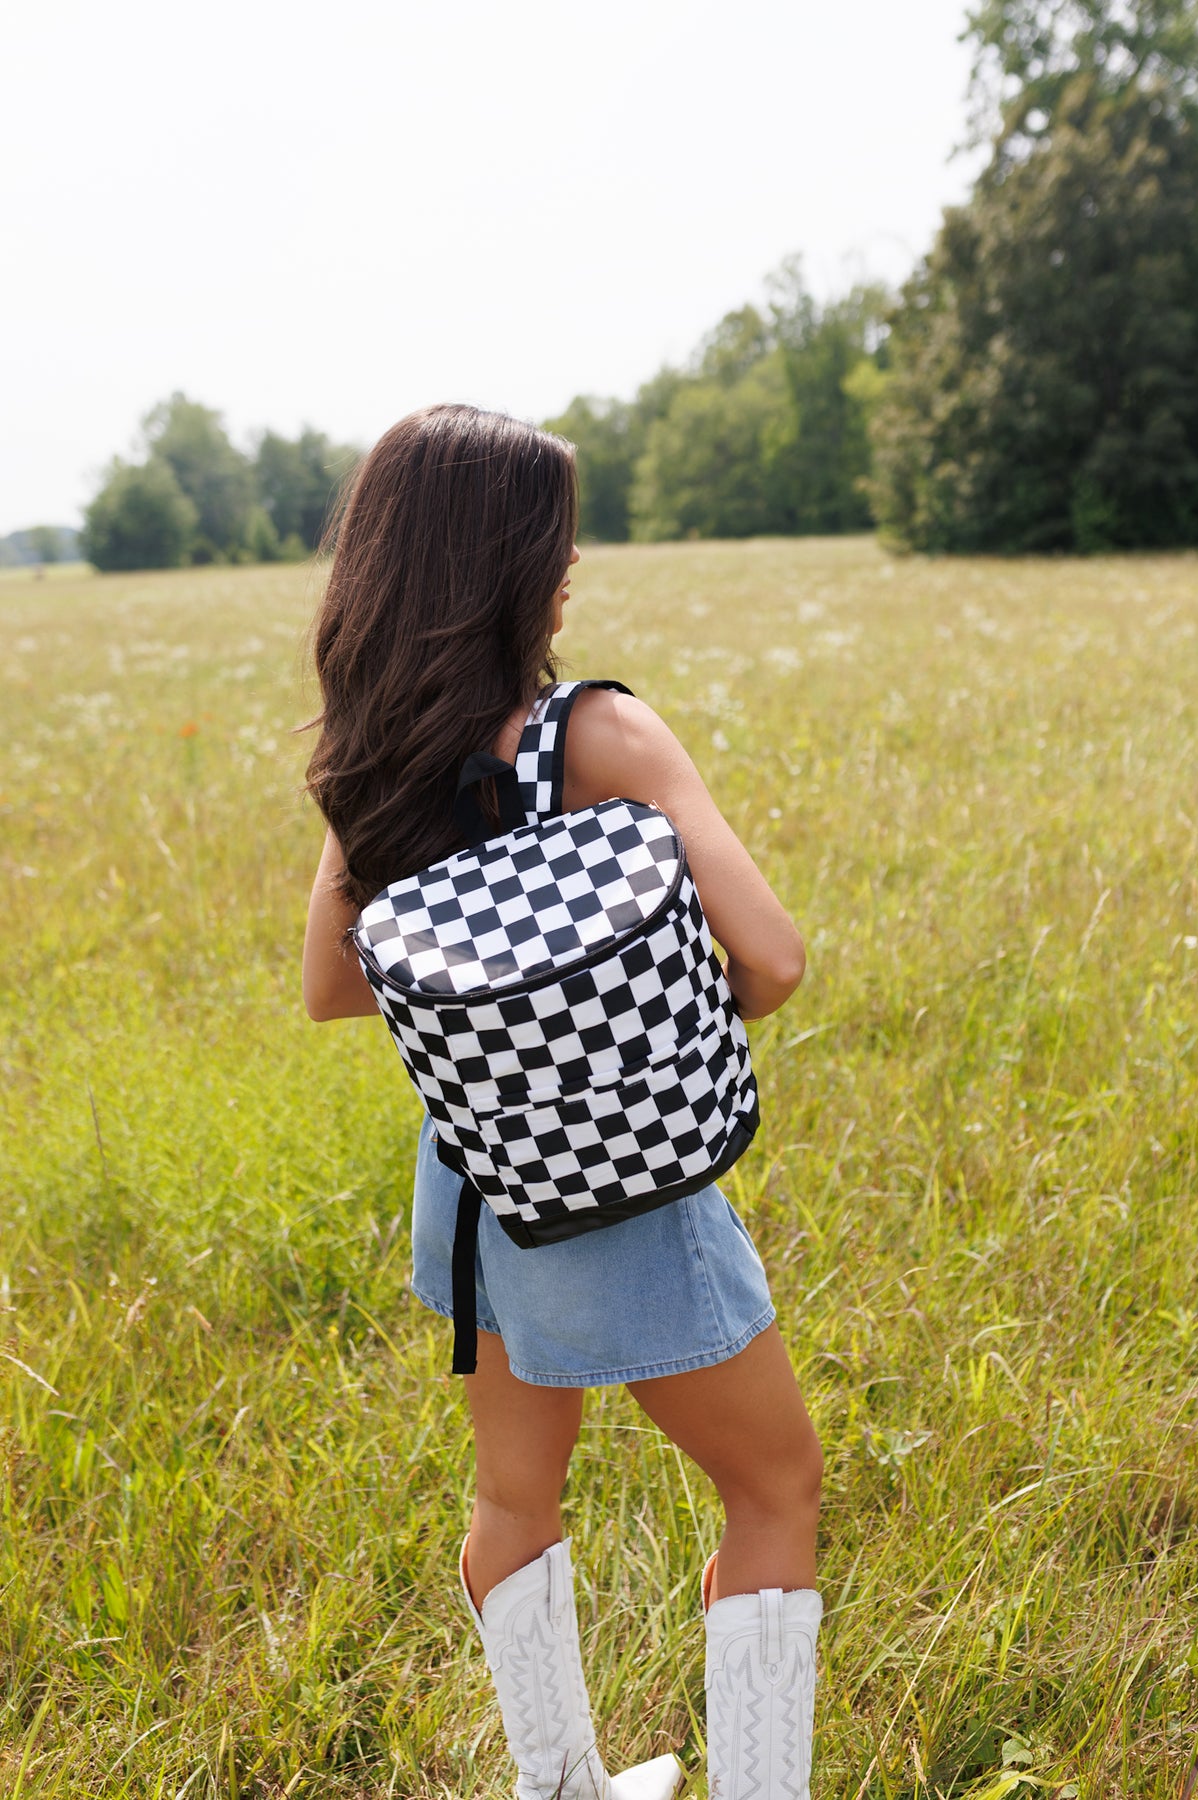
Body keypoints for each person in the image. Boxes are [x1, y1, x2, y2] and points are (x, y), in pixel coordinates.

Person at [301, 404, 824, 1799]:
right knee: (774, 1490)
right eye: (557, 532)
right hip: (622, 1181)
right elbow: (770, 955)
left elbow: (333, 986)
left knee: (513, 1494)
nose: (574, 558)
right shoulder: (599, 733)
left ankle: (564, 1788)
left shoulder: (380, 752)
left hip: (478, 1179)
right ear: (510, 562)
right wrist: (653, 1020)